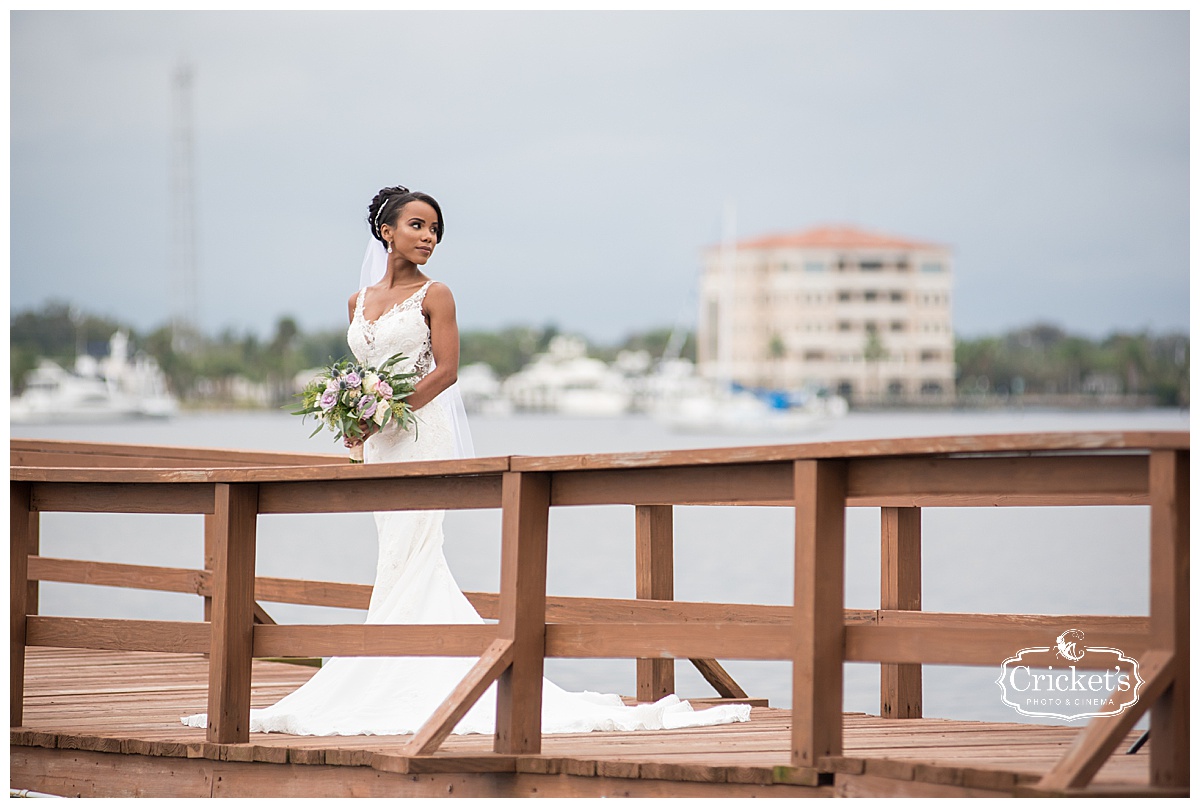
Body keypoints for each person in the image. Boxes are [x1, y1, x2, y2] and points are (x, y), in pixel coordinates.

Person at [182, 186, 750, 736]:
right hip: (378, 442)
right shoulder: (355, 303)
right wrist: (355, 419)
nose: (429, 237)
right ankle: (395, 660)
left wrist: (389, 409)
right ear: (386, 231)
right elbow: (361, 372)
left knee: (418, 545)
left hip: (420, 432)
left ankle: (405, 664)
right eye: (417, 225)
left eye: (435, 229)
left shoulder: (437, 295)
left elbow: (446, 371)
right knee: (394, 552)